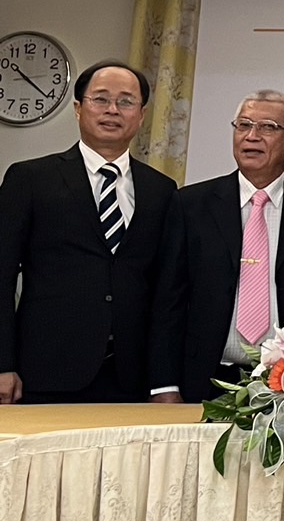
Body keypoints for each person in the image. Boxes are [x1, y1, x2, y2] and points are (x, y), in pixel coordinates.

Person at [0, 60, 177, 403]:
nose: (113, 110)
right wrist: (2, 363)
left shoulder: (162, 190)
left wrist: (163, 382)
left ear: (142, 115)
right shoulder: (30, 179)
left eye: (126, 101)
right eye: (101, 99)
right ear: (79, 108)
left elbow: (166, 292)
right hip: (45, 371)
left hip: (131, 377)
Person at [149, 91, 284, 403]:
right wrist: (164, 385)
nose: (252, 136)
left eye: (268, 127)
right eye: (243, 125)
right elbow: (168, 300)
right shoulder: (191, 205)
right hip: (205, 379)